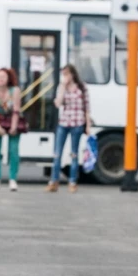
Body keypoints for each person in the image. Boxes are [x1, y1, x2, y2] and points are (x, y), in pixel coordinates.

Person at [47, 64, 91, 193]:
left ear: (72, 74)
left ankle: (72, 182)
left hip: (77, 123)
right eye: (63, 74)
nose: (65, 77)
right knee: (57, 153)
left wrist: (87, 125)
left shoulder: (82, 88)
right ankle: (54, 181)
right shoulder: (62, 88)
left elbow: (87, 108)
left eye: (67, 74)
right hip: (64, 122)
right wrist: (62, 87)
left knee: (74, 154)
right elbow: (57, 103)